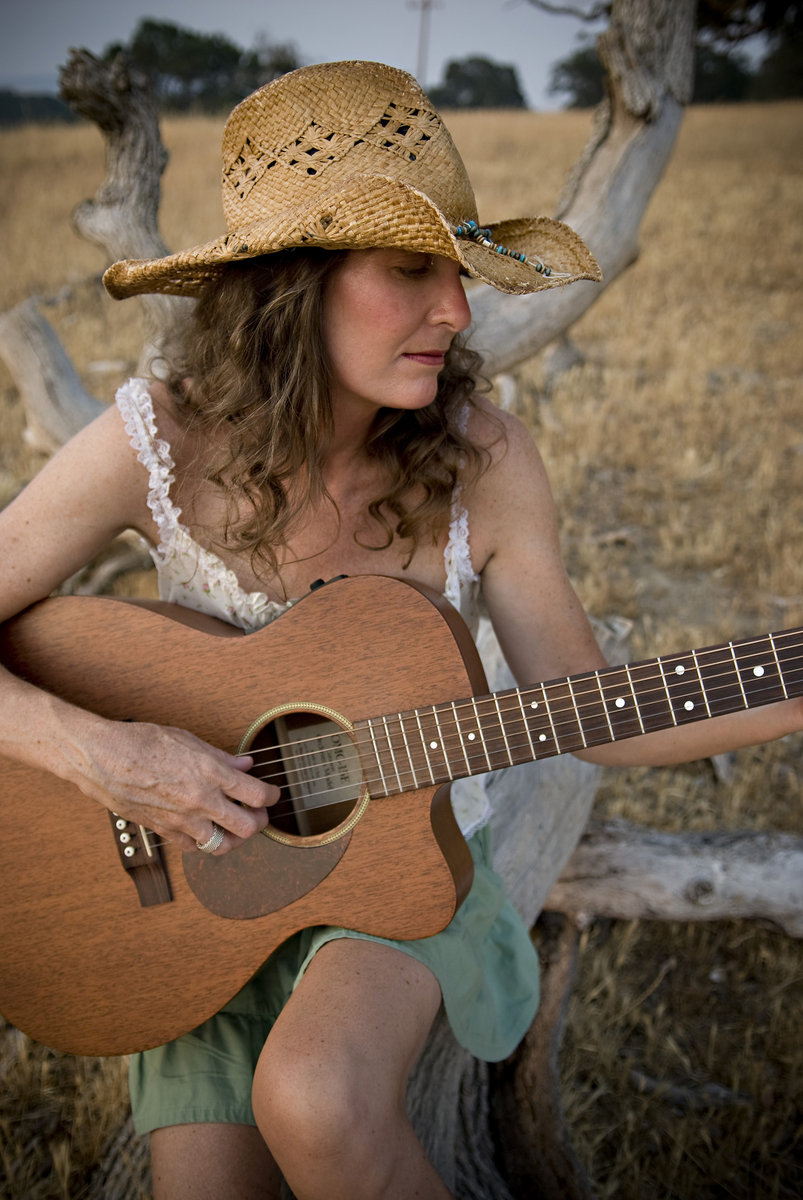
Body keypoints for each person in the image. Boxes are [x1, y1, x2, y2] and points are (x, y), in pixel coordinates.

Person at [0, 61, 799, 1200]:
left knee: (315, 1096)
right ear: (292, 286)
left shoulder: (483, 458)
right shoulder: (155, 441)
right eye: (411, 269)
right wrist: (108, 757)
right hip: (182, 890)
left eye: (459, 271)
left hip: (405, 874)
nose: (459, 310)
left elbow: (592, 710)